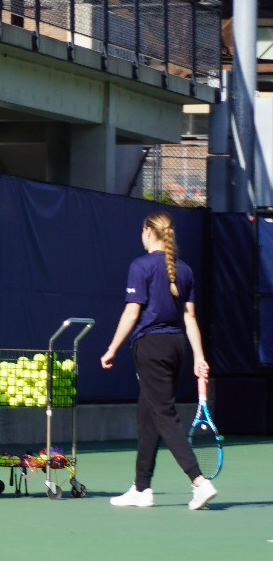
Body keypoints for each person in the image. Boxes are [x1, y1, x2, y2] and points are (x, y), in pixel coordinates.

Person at [100, 211, 216, 510]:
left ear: (149, 231)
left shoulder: (140, 266)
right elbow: (190, 319)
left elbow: (132, 312)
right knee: (148, 414)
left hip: (152, 348)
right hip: (177, 348)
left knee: (164, 415)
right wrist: (198, 357)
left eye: (142, 231)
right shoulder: (185, 270)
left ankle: (199, 482)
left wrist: (112, 348)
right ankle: (141, 489)